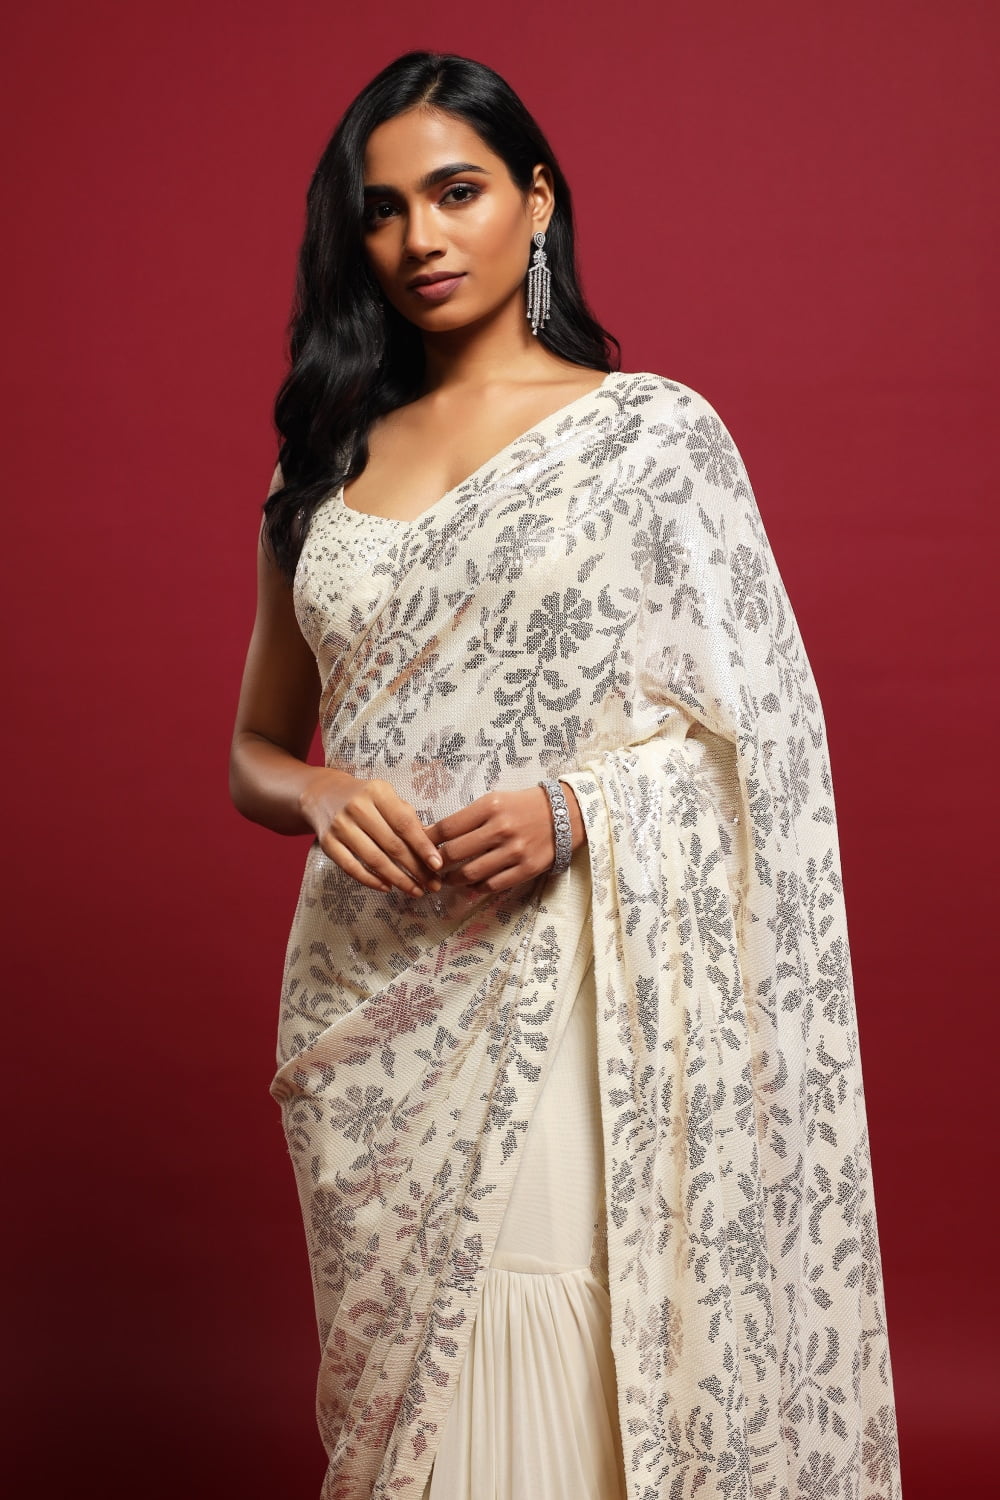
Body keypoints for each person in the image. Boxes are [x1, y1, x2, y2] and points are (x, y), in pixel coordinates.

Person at [229, 50, 902, 1500]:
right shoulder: (322, 466)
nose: (420, 237)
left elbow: (767, 741)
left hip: (564, 977)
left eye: (457, 192)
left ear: (536, 202)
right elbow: (255, 751)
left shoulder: (650, 439)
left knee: (540, 1326)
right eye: (383, 210)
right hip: (367, 1001)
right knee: (406, 1395)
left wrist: (581, 807)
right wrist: (320, 794)